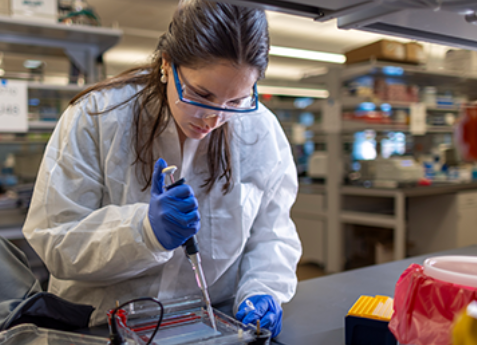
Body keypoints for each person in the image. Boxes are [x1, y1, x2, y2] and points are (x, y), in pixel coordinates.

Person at [22, 0, 301, 337]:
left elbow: (272, 233)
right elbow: (55, 239)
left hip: (208, 327)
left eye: (236, 101)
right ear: (167, 64)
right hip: (101, 328)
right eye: (202, 94)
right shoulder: (96, 116)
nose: (215, 119)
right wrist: (144, 232)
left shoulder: (260, 132)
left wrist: (263, 289)